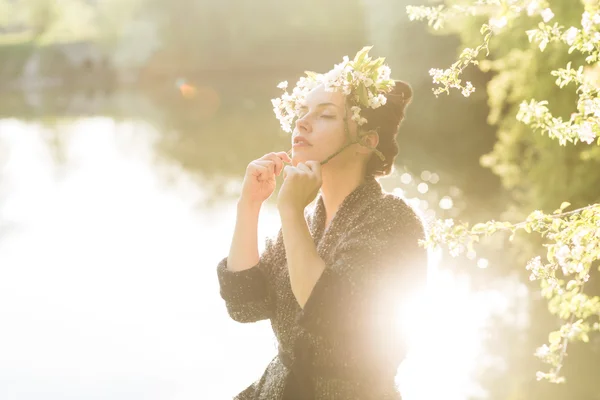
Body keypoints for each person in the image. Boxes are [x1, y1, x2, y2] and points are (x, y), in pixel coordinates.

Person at [216, 46, 429, 400]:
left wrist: (290, 212)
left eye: (325, 115)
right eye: (302, 112)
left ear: (366, 141)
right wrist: (249, 206)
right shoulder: (308, 220)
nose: (301, 122)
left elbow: (328, 313)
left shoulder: (392, 220)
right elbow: (244, 304)